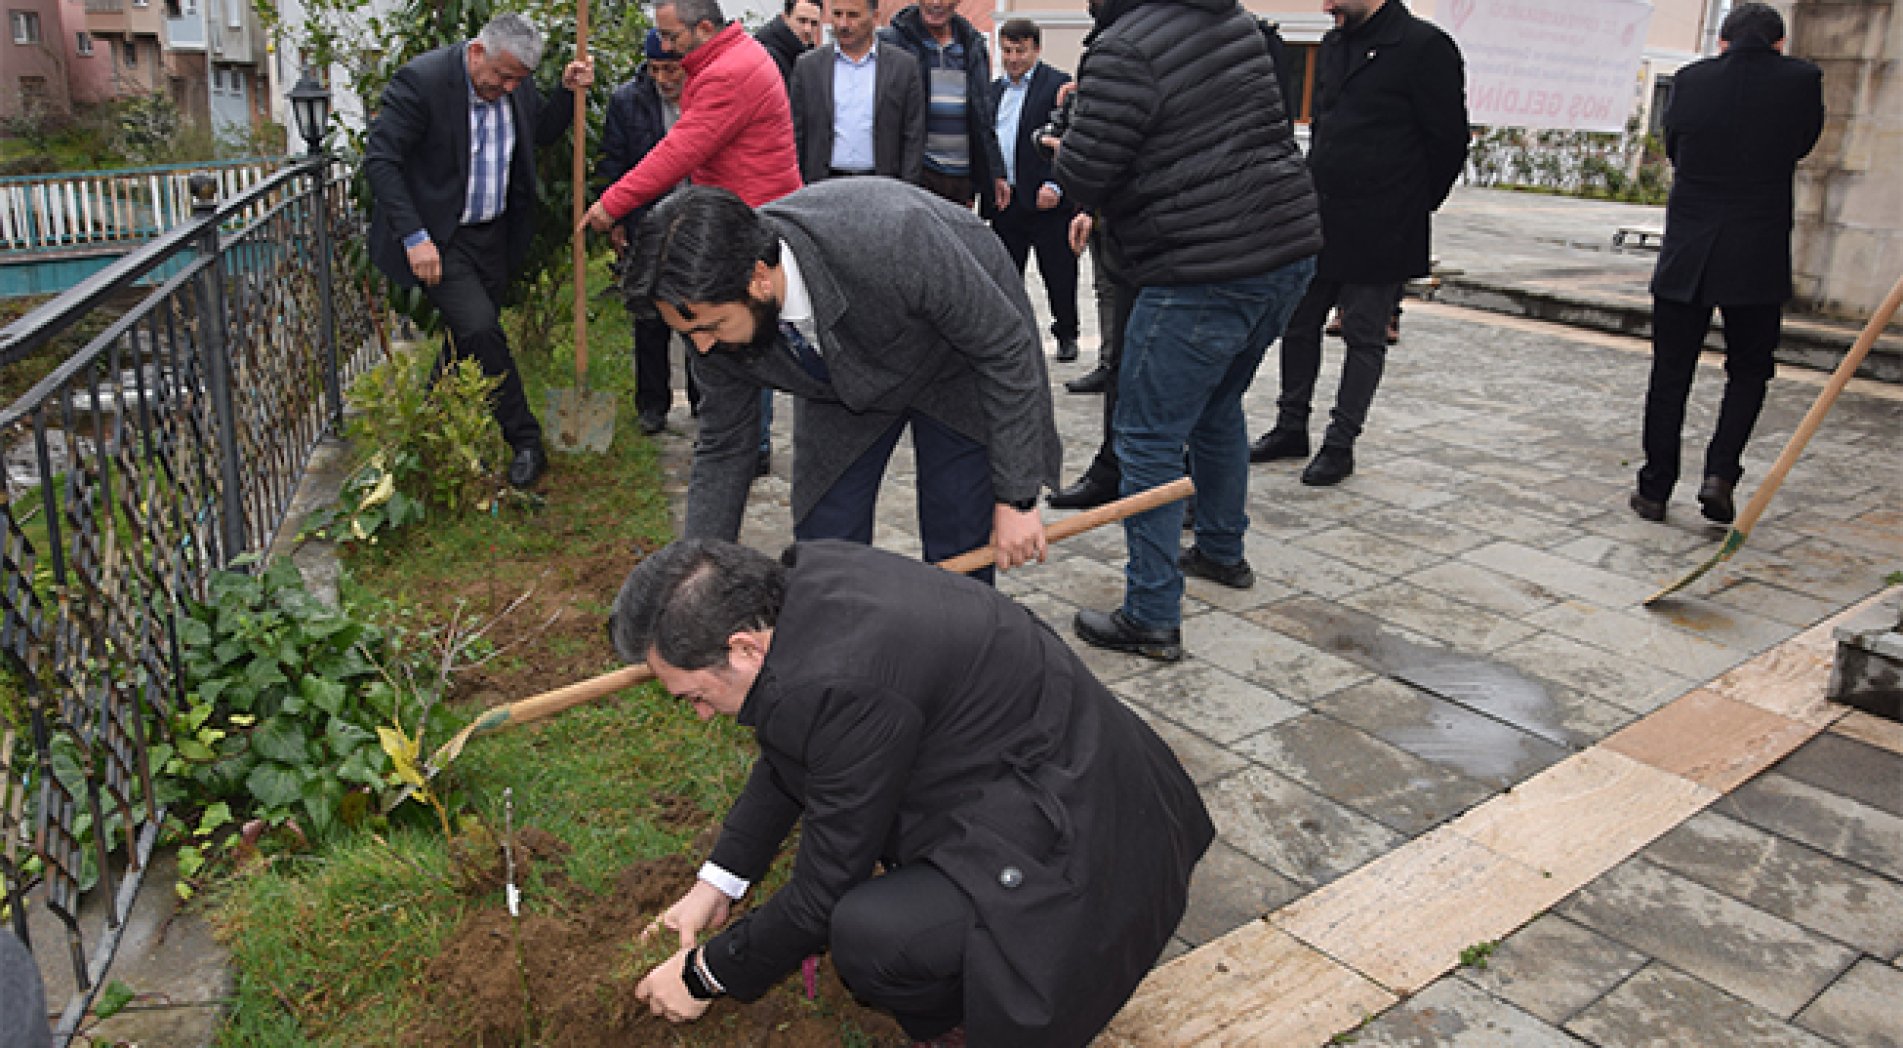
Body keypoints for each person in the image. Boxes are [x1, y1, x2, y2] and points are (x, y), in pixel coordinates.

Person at [610, 538, 1215, 1047]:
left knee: (873, 935)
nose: (699, 715)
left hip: (1089, 837)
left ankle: (970, 1024)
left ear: (744, 648)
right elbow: (790, 749)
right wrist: (718, 882)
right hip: (1064, 770)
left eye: (693, 695)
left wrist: (704, 976)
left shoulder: (840, 684)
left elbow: (822, 894)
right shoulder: (804, 586)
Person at [1054, 0, 1321, 662]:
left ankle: (1150, 614)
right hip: (1285, 250)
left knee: (1144, 437)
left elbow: (1081, 174)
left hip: (1201, 268)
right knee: (1217, 406)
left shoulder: (1122, 48)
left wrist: (1062, 135)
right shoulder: (1233, 21)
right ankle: (1222, 549)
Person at [623, 182, 1061, 579]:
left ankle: (960, 656)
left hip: (955, 367)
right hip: (841, 385)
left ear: (758, 278)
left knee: (959, 540)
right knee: (825, 553)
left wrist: (1017, 499)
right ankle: (847, 659)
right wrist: (697, 570)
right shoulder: (711, 318)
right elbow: (724, 446)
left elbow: (1005, 350)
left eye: (712, 328)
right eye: (689, 334)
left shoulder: (897, 239)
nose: (701, 348)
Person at [364, 13, 594, 489]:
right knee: (481, 329)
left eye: (518, 80)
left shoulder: (514, 85)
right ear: (476, 52)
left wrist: (567, 94)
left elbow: (541, 133)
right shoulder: (422, 82)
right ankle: (526, 440)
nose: (507, 87)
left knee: (465, 338)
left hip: (494, 236)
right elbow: (381, 161)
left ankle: (422, 433)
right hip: (439, 237)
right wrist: (414, 237)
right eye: (501, 75)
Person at [1249, 0, 1468, 487]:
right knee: (1298, 322)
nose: (1326, 6)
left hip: (1384, 223)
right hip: (1321, 215)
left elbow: (1449, 142)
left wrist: (1412, 202)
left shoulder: (1424, 47)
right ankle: (1291, 426)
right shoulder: (1333, 44)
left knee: (1363, 334)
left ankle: (1340, 443)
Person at [583, 0, 802, 477]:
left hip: (750, 220)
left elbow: (681, 149)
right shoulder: (726, 58)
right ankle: (741, 442)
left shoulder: (731, 73)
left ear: (703, 28)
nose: (665, 47)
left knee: (743, 336)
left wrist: (611, 204)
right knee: (736, 338)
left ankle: (744, 447)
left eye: (671, 37)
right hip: (740, 212)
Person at [1630, 2, 1823, 525]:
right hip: (1757, 247)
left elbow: (1676, 147)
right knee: (1749, 370)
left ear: (1723, 42)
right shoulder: (1803, 80)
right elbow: (1802, 143)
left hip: (1690, 245)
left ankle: (1654, 487)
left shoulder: (1691, 80)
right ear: (1779, 43)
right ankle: (1720, 473)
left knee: (1670, 373)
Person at [598, 30, 694, 436]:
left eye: (671, 69)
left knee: (695, 309)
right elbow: (613, 161)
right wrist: (617, 217)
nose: (664, 79)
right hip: (648, 220)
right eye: (656, 70)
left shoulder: (704, 96)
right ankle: (653, 404)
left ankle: (702, 399)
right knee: (649, 314)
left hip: (694, 218)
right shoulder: (628, 101)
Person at [987, 18, 1080, 364]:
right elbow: (989, 142)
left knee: (1058, 273)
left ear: (1036, 49)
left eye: (1020, 51)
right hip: (1006, 202)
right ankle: (1011, 337)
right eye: (1007, 50)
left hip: (1047, 201)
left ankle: (1067, 333)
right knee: (1006, 275)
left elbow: (1068, 138)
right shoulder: (993, 92)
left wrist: (1056, 183)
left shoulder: (1057, 87)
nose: (1013, 58)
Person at [878, 0, 1009, 212]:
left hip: (961, 180)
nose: (936, 3)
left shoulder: (972, 45)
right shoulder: (893, 43)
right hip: (917, 174)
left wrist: (995, 172)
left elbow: (983, 115)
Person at [788, 0, 924, 185]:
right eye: (837, 15)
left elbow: (913, 136)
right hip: (823, 185)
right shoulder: (808, 67)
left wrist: (907, 189)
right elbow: (795, 133)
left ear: (874, 17)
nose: (843, 24)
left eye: (853, 16)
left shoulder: (903, 68)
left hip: (882, 184)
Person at [755, 0, 823, 83]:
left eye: (814, 23)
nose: (807, 29)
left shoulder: (809, 55)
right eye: (802, 20)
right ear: (785, 17)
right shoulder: (766, 55)